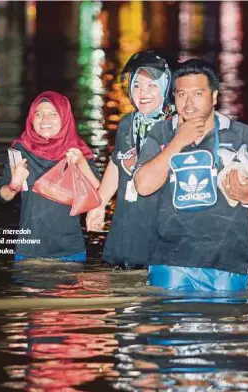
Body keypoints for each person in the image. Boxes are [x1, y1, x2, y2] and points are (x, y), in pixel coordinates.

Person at [134, 59, 248, 291]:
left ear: (214, 97)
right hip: (170, 262)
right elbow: (143, 186)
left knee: (225, 322)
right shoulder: (161, 133)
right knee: (167, 321)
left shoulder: (242, 135)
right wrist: (178, 141)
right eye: (181, 94)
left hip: (227, 262)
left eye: (198, 94)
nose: (189, 103)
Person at [86, 50, 174, 268]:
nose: (142, 93)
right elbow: (117, 163)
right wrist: (100, 203)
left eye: (152, 85)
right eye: (137, 85)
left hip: (161, 226)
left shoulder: (176, 127)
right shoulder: (127, 123)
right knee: (121, 283)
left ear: (166, 86)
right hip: (127, 220)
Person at [0, 91, 100, 262]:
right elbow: (2, 197)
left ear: (65, 118)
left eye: (53, 114)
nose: (45, 120)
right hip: (29, 250)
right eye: (39, 114)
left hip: (70, 250)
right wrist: (13, 185)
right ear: (31, 119)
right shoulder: (20, 151)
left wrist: (81, 163)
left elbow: (97, 191)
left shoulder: (77, 151)